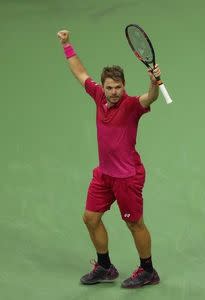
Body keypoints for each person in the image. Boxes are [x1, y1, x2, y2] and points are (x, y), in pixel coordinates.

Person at [57, 29, 160, 289]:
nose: (114, 92)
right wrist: (67, 45)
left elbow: (151, 97)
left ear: (124, 86)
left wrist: (154, 82)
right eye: (109, 87)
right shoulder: (98, 96)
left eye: (118, 87)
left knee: (134, 222)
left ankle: (148, 270)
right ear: (103, 87)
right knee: (90, 218)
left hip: (127, 176)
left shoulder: (132, 105)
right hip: (104, 174)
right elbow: (80, 72)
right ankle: (105, 266)